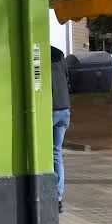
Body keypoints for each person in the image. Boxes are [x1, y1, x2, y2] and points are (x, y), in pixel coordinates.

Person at [50, 46, 71, 213]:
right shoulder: (60, 55)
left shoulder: (39, 53)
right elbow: (66, 79)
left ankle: (45, 193)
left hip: (51, 109)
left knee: (44, 152)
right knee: (56, 153)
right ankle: (58, 198)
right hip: (65, 109)